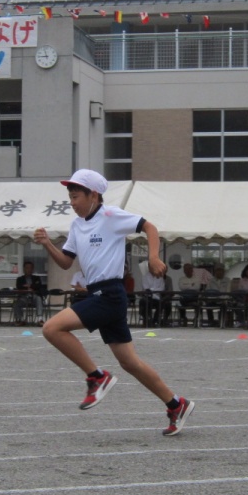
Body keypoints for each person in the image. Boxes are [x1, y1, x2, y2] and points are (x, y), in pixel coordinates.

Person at [35, 169, 195, 436]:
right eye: (70, 197)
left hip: (109, 294)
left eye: (76, 196)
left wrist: (154, 257)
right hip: (97, 293)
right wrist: (47, 244)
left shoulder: (110, 216)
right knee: (130, 363)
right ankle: (176, 404)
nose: (72, 202)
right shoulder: (77, 225)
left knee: (52, 328)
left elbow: (149, 226)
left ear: (93, 195)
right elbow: (65, 261)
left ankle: (97, 377)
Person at [176, 262, 211, 327]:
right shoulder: (181, 279)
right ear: (184, 271)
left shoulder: (197, 279)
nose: (188, 271)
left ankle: (196, 319)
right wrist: (191, 285)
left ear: (192, 270)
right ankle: (184, 318)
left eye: (189, 269)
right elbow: (181, 287)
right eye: (186, 269)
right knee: (179, 301)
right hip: (185, 298)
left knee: (199, 302)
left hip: (194, 297)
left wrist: (187, 286)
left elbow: (197, 287)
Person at [14, 260, 46, 325]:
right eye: (27, 268)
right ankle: (20, 319)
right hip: (24, 297)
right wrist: (30, 288)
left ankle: (40, 319)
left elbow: (38, 286)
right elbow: (19, 287)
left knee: (39, 299)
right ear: (24, 269)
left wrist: (29, 285)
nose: (29, 270)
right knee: (16, 303)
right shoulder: (20, 279)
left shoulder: (36, 278)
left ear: (33, 269)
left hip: (34, 296)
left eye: (30, 268)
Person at [139, 259, 166, 326]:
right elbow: (146, 288)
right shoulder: (145, 276)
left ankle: (155, 320)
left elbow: (162, 288)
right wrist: (155, 290)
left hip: (157, 298)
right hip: (148, 297)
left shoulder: (160, 276)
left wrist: (152, 290)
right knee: (144, 302)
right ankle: (147, 319)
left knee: (162, 303)